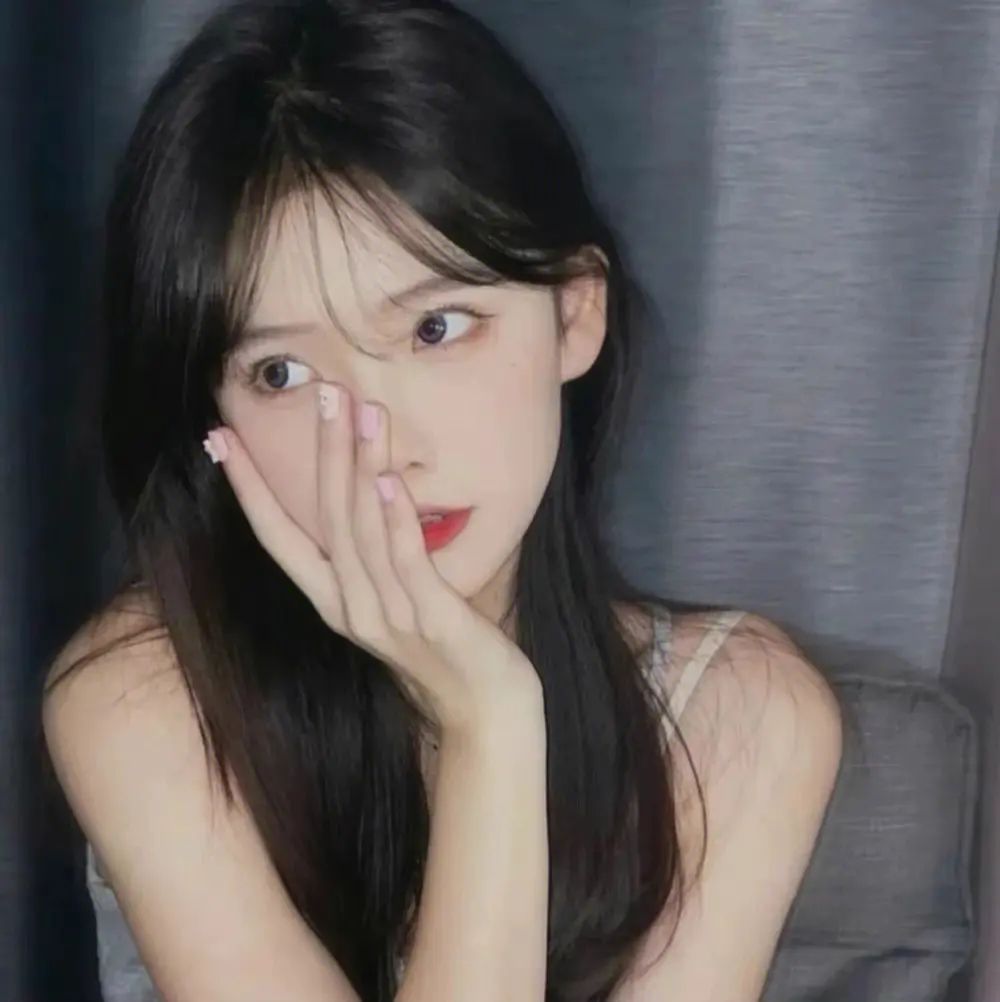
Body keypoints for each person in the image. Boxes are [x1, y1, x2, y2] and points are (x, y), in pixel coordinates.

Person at [39, 1, 844, 1000]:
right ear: (215, 413)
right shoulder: (144, 698)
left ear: (574, 317)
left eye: (435, 329)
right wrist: (489, 725)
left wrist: (487, 717)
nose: (382, 448)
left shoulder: (739, 718)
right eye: (282, 373)